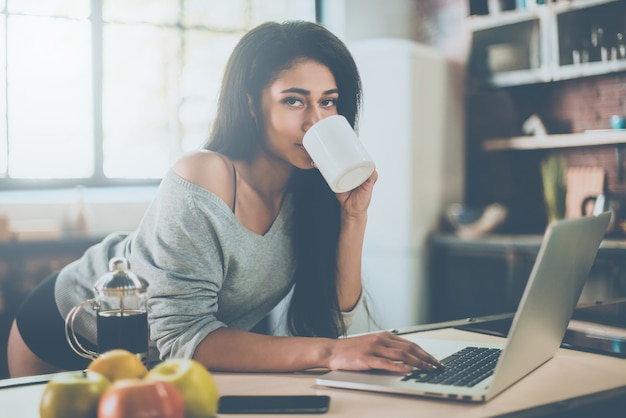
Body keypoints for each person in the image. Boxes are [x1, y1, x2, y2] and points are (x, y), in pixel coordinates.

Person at [7, 20, 443, 377]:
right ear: (253, 104)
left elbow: (335, 315)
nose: (316, 121)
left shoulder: (310, 186)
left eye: (328, 103)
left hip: (159, 366)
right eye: (294, 101)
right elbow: (182, 336)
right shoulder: (205, 174)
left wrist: (354, 218)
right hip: (70, 335)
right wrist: (330, 353)